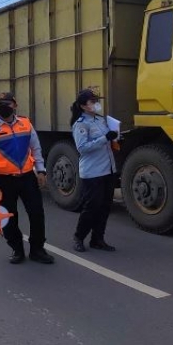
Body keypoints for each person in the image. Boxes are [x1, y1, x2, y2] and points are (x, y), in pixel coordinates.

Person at [0, 92, 53, 264]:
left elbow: (36, 149)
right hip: (4, 181)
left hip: (27, 177)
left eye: (6, 103)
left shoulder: (26, 123)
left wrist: (41, 171)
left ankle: (37, 250)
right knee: (8, 218)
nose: (2, 107)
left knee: (36, 213)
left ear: (15, 105)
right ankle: (17, 249)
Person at [70, 89, 118, 252]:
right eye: (92, 101)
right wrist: (105, 138)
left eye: (96, 100)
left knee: (105, 206)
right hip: (92, 172)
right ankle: (79, 237)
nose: (96, 104)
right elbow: (82, 148)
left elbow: (106, 140)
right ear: (83, 106)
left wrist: (115, 138)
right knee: (91, 207)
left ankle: (98, 239)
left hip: (108, 169)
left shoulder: (100, 120)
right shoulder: (81, 124)